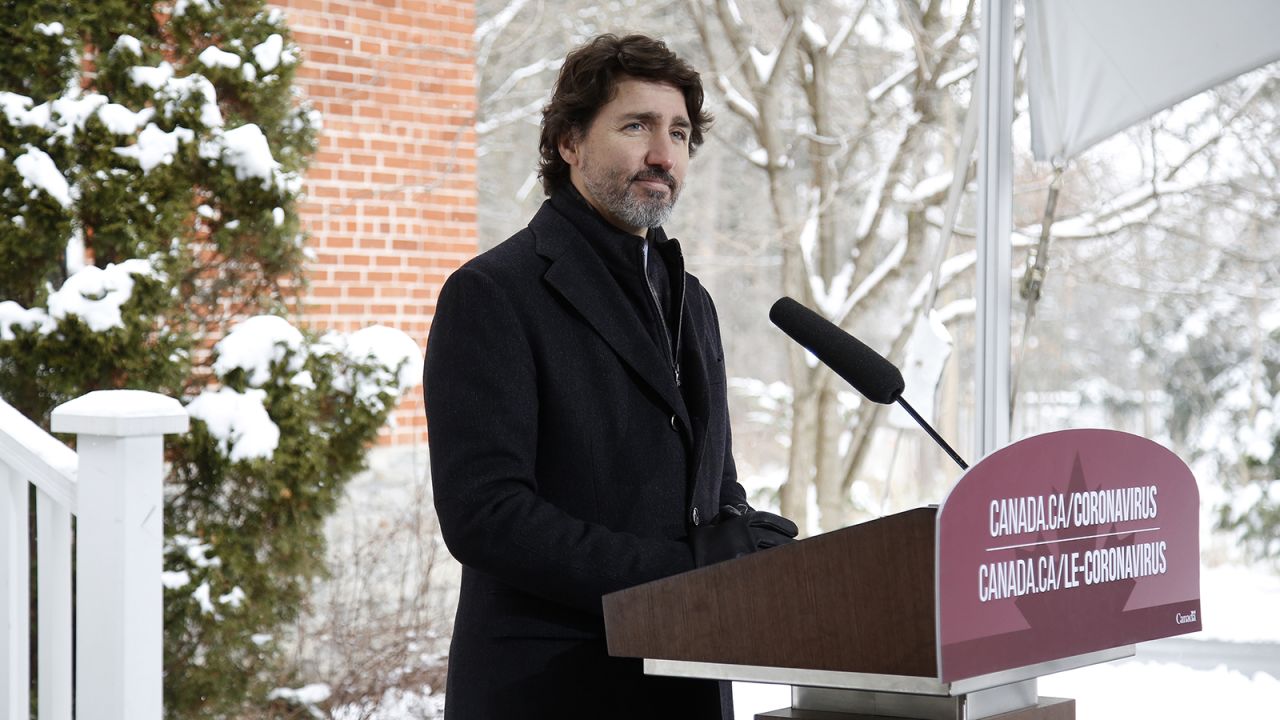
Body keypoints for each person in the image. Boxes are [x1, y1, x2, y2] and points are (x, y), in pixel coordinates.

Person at [424, 33, 798, 719]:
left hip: (685, 680)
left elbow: (711, 481)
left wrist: (743, 543)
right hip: (550, 688)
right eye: (637, 126)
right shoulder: (493, 293)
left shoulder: (695, 302)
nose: (664, 153)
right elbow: (486, 517)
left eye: (680, 133)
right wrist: (683, 575)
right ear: (569, 142)